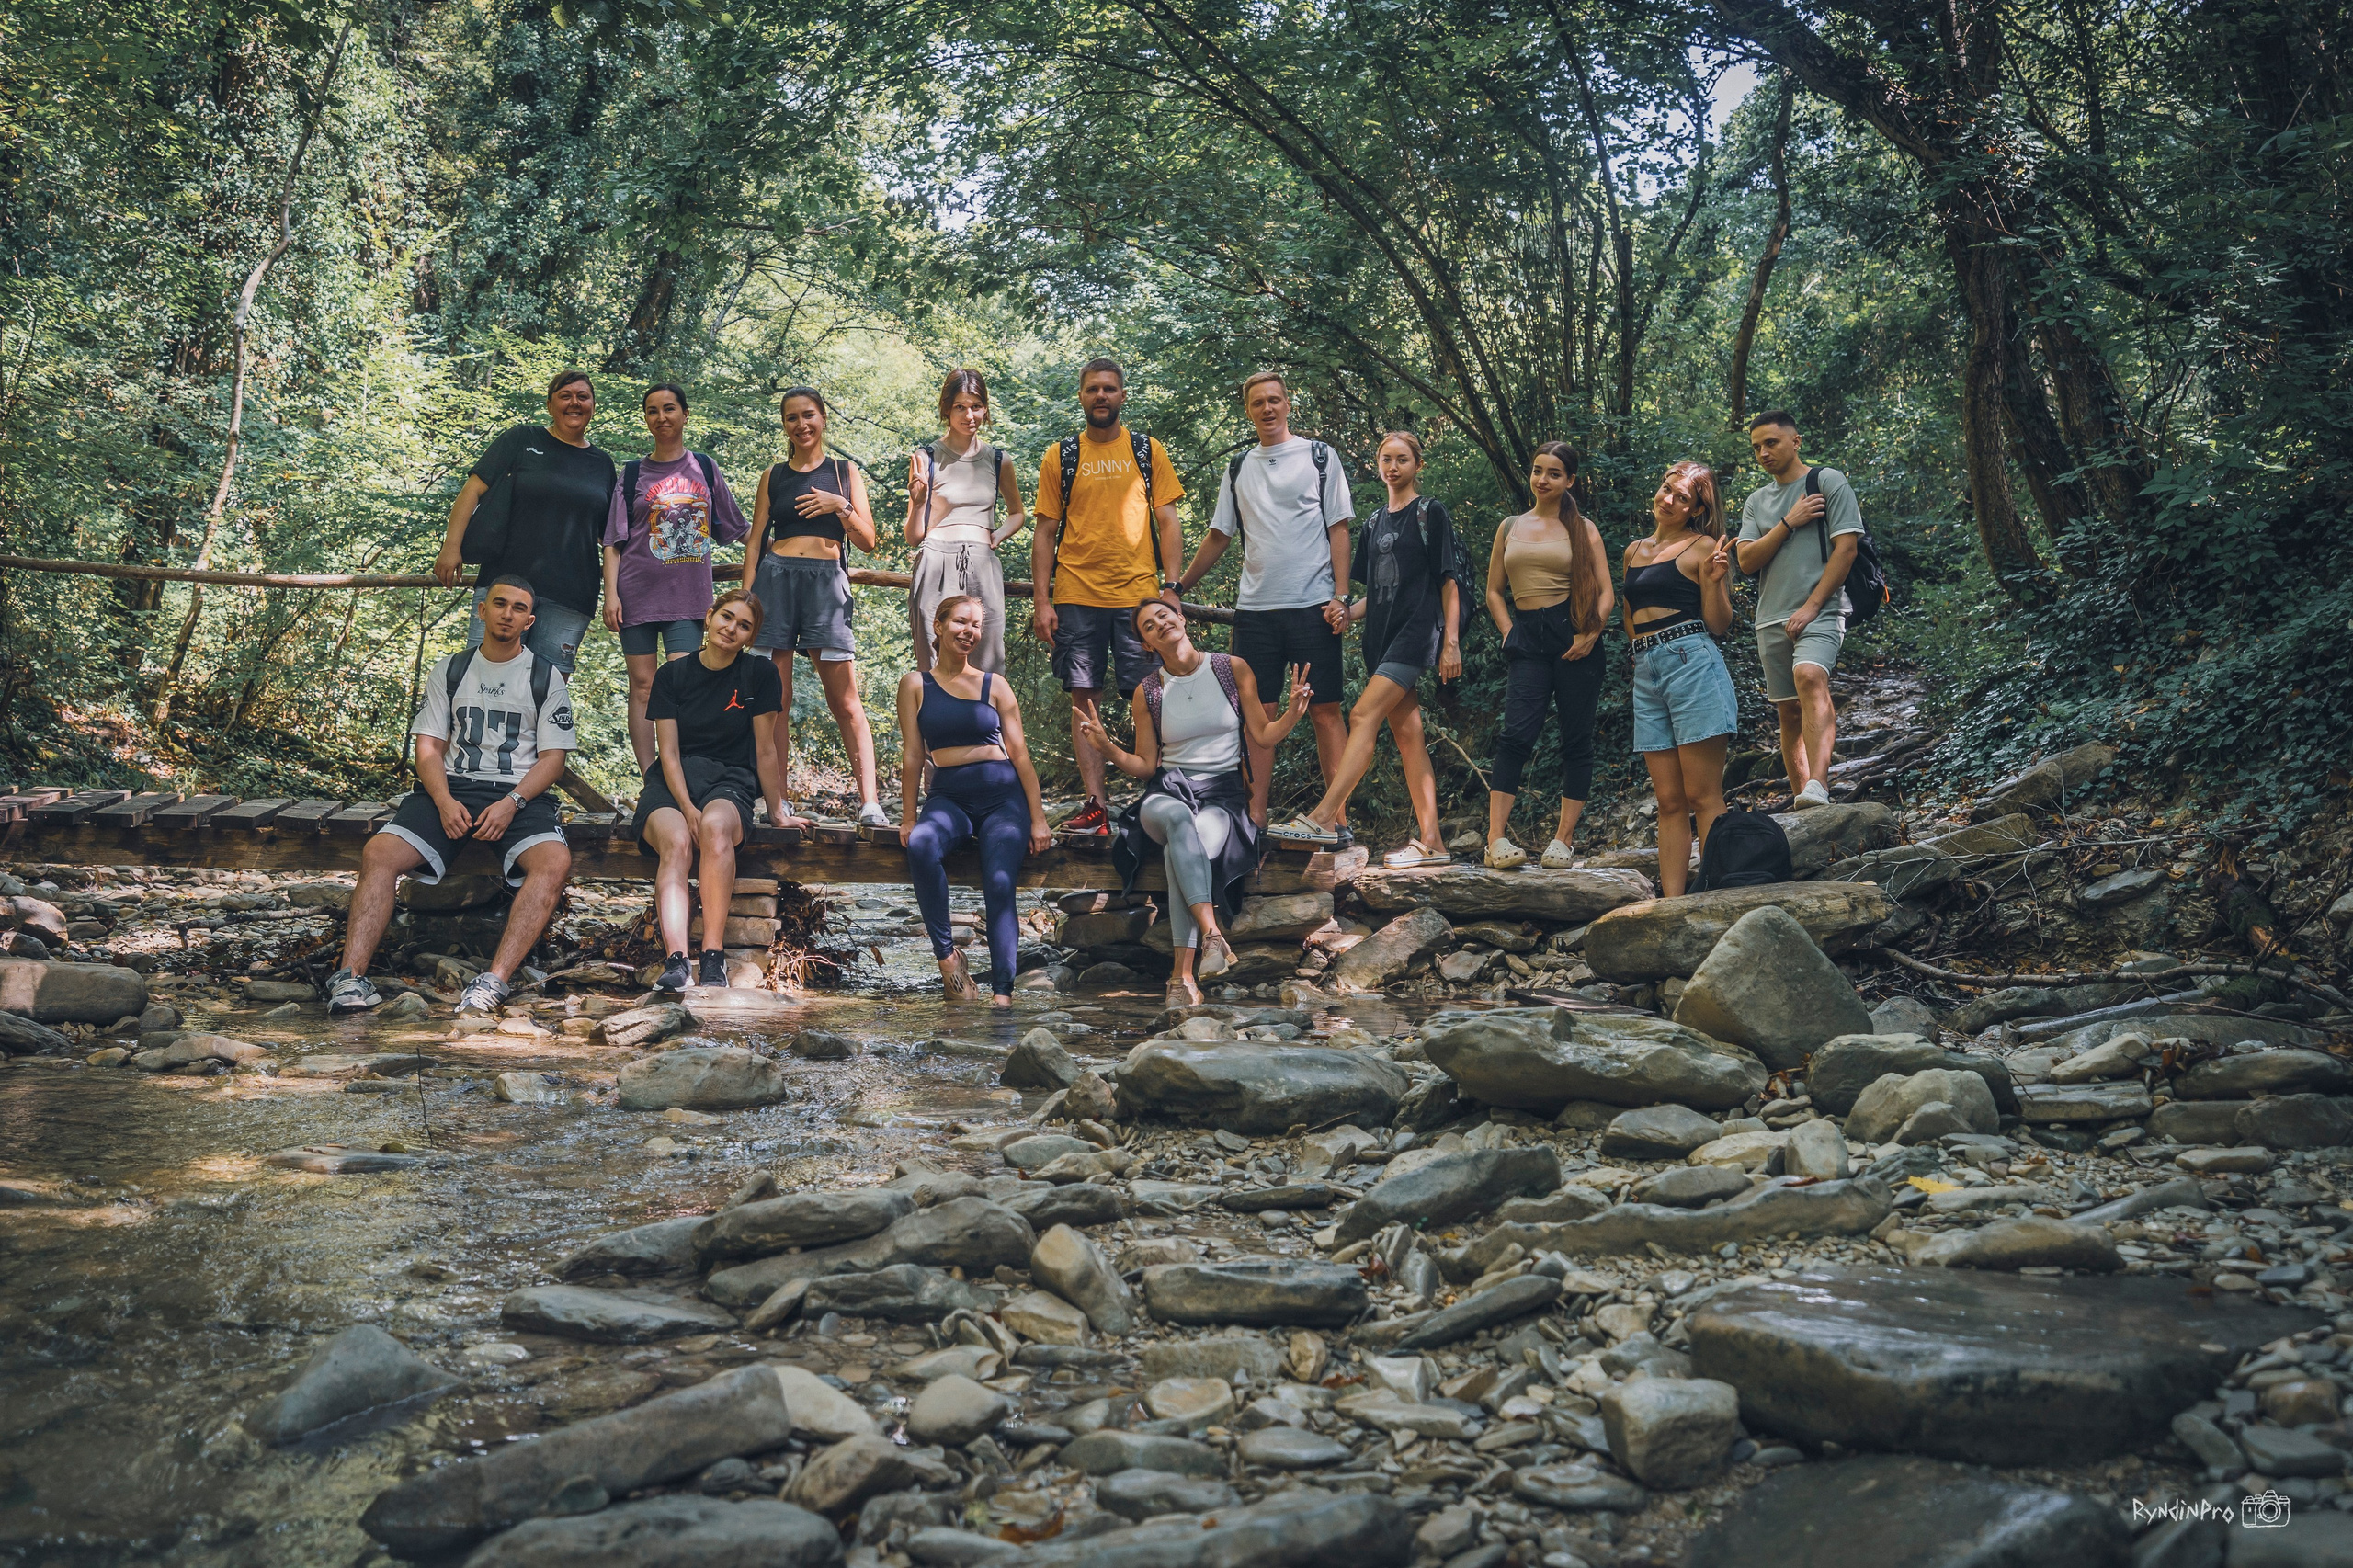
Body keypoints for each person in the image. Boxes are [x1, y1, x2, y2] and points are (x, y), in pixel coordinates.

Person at [326, 575, 574, 1017]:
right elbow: (429, 747)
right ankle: (350, 977)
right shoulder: (452, 668)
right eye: (499, 604)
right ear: (482, 610)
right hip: (452, 786)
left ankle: (493, 982)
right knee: (379, 852)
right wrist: (442, 801)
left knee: (554, 863)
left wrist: (512, 803)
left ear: (529, 621)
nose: (507, 614)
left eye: (518, 608)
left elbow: (553, 759)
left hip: (516, 795)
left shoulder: (545, 676)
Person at [1078, 601, 1313, 1008]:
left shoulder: (1231, 668)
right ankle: (1212, 934)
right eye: (1149, 626)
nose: (1160, 625)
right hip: (1166, 795)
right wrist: (1107, 747)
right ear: (1147, 643)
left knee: (1181, 849)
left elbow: (1263, 735)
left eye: (1164, 616)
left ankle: (1181, 978)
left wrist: (1292, 713)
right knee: (1178, 820)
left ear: (1182, 619)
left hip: (1222, 798)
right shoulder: (1147, 690)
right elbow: (1145, 764)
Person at [1263, 431, 1463, 865]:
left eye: (1403, 460)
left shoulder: (1431, 513)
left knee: (1361, 714)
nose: (1394, 467)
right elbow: (1379, 591)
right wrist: (1347, 613)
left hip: (1416, 633)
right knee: (1409, 737)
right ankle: (1434, 843)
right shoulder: (1374, 522)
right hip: (1382, 638)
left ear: (1417, 466)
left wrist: (1451, 641)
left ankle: (1325, 816)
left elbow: (1448, 580)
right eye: (1386, 459)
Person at [1174, 371, 1354, 830]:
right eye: (1258, 403)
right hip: (1254, 611)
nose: (1268, 409)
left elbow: (1339, 528)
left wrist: (1342, 596)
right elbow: (1219, 535)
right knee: (1260, 715)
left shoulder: (1319, 456)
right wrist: (1178, 587)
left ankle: (1336, 818)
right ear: (1249, 409)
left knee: (1326, 709)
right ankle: (1254, 817)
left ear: (1288, 404)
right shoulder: (1238, 468)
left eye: (1275, 400)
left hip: (1312, 605)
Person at [1031, 358, 1187, 836]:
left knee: (1150, 695)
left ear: (1123, 396)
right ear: (1080, 395)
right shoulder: (1062, 455)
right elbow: (1045, 532)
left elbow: (1168, 521)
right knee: (1085, 697)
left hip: (1138, 597)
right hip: (1077, 593)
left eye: (1110, 389)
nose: (1101, 396)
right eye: (1093, 389)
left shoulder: (1146, 451)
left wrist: (1172, 589)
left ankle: (1154, 800)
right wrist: (1043, 599)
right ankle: (1096, 807)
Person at [895, 595, 1054, 1006]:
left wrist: (1038, 818)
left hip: (1003, 797)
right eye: (961, 622)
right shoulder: (915, 685)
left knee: (999, 883)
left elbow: (1020, 754)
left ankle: (1003, 996)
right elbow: (913, 754)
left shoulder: (994, 684)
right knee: (922, 845)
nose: (969, 631)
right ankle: (949, 960)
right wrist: (909, 816)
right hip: (948, 795)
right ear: (939, 626)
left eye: (977, 625)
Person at [743, 386, 888, 829]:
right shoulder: (774, 475)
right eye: (791, 418)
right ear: (784, 424)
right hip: (776, 581)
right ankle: (778, 800)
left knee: (844, 700)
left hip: (827, 585)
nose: (801, 425)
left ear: (823, 418)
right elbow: (755, 539)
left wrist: (839, 506)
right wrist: (748, 598)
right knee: (777, 700)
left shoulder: (845, 474)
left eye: (809, 415)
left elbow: (868, 542)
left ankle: (870, 802)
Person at [631, 588, 787, 992]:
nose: (732, 628)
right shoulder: (673, 675)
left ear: (750, 638)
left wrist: (778, 810)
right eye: (727, 617)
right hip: (672, 782)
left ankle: (714, 958)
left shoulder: (759, 674)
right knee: (678, 840)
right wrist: (685, 805)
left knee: (716, 829)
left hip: (730, 780)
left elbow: (766, 749)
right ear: (709, 616)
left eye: (744, 626)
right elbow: (667, 752)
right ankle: (678, 961)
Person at [602, 382, 750, 771]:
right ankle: (651, 776)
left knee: (684, 686)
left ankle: (683, 770)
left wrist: (781, 545)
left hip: (688, 599)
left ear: (685, 414)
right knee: (643, 687)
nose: (661, 417)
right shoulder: (633, 473)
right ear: (646, 419)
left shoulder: (703, 467)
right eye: (652, 410)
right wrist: (610, 595)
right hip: (636, 594)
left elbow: (737, 527)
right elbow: (613, 542)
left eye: (669, 409)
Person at [1482, 442, 1614, 869]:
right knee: (1515, 737)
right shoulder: (1510, 526)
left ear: (1569, 481)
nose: (1542, 479)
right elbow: (1493, 591)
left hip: (1573, 632)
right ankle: (1495, 840)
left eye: (1554, 473)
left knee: (1576, 740)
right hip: (1527, 638)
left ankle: (1563, 841)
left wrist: (1592, 633)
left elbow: (1606, 590)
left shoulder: (1584, 528)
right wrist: (1508, 632)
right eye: (1538, 470)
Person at [433, 369, 616, 677]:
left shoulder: (603, 464)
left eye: (582, 397)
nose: (574, 403)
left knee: (547, 691)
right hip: (506, 585)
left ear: (593, 406)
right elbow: (472, 491)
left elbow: (611, 537)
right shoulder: (521, 440)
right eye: (565, 396)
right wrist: (451, 547)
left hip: (570, 594)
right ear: (549, 405)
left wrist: (618, 591)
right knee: (483, 680)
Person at [1735, 410, 1860, 810]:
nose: (1763, 453)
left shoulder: (1827, 481)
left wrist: (1812, 605)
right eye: (1756, 447)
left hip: (1820, 609)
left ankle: (1819, 784)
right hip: (1770, 617)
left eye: (1771, 443)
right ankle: (1802, 798)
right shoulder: (1757, 502)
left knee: (1809, 676)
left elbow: (1847, 548)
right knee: (1788, 713)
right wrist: (1789, 522)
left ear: (1796, 441)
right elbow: (1747, 560)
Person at [1623, 461, 1738, 897]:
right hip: (1647, 672)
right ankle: (1672, 903)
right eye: (1666, 488)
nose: (1668, 500)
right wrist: (1639, 659)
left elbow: (1719, 623)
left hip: (1692, 662)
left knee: (1703, 795)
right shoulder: (1633, 550)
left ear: (1696, 509)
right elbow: (1630, 615)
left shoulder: (1703, 545)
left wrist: (1714, 581)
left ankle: (1714, 894)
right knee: (1669, 801)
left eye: (1682, 497)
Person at [906, 369, 1026, 675]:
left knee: (987, 654)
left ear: (985, 409)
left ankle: (987, 721)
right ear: (947, 409)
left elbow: (1017, 513)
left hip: (982, 561)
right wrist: (919, 502)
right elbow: (913, 535)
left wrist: (997, 535)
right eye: (960, 406)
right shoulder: (926, 457)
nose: (969, 415)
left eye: (976, 406)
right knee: (933, 657)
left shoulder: (999, 460)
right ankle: (933, 718)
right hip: (935, 558)